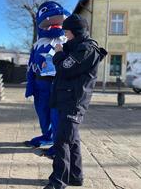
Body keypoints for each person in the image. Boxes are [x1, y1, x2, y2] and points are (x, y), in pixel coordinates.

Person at [44, 14, 107, 189]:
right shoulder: (76, 47)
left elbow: (65, 68)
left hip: (74, 102)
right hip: (68, 100)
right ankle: (75, 176)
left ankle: (58, 182)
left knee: (62, 141)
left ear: (75, 32)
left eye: (67, 32)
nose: (65, 36)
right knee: (72, 140)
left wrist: (58, 54)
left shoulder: (87, 49)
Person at [25, 1, 70, 158]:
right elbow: (30, 66)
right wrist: (30, 86)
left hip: (56, 85)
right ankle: (47, 136)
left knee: (56, 115)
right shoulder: (37, 45)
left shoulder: (66, 42)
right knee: (42, 113)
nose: (54, 26)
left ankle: (57, 144)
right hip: (40, 85)